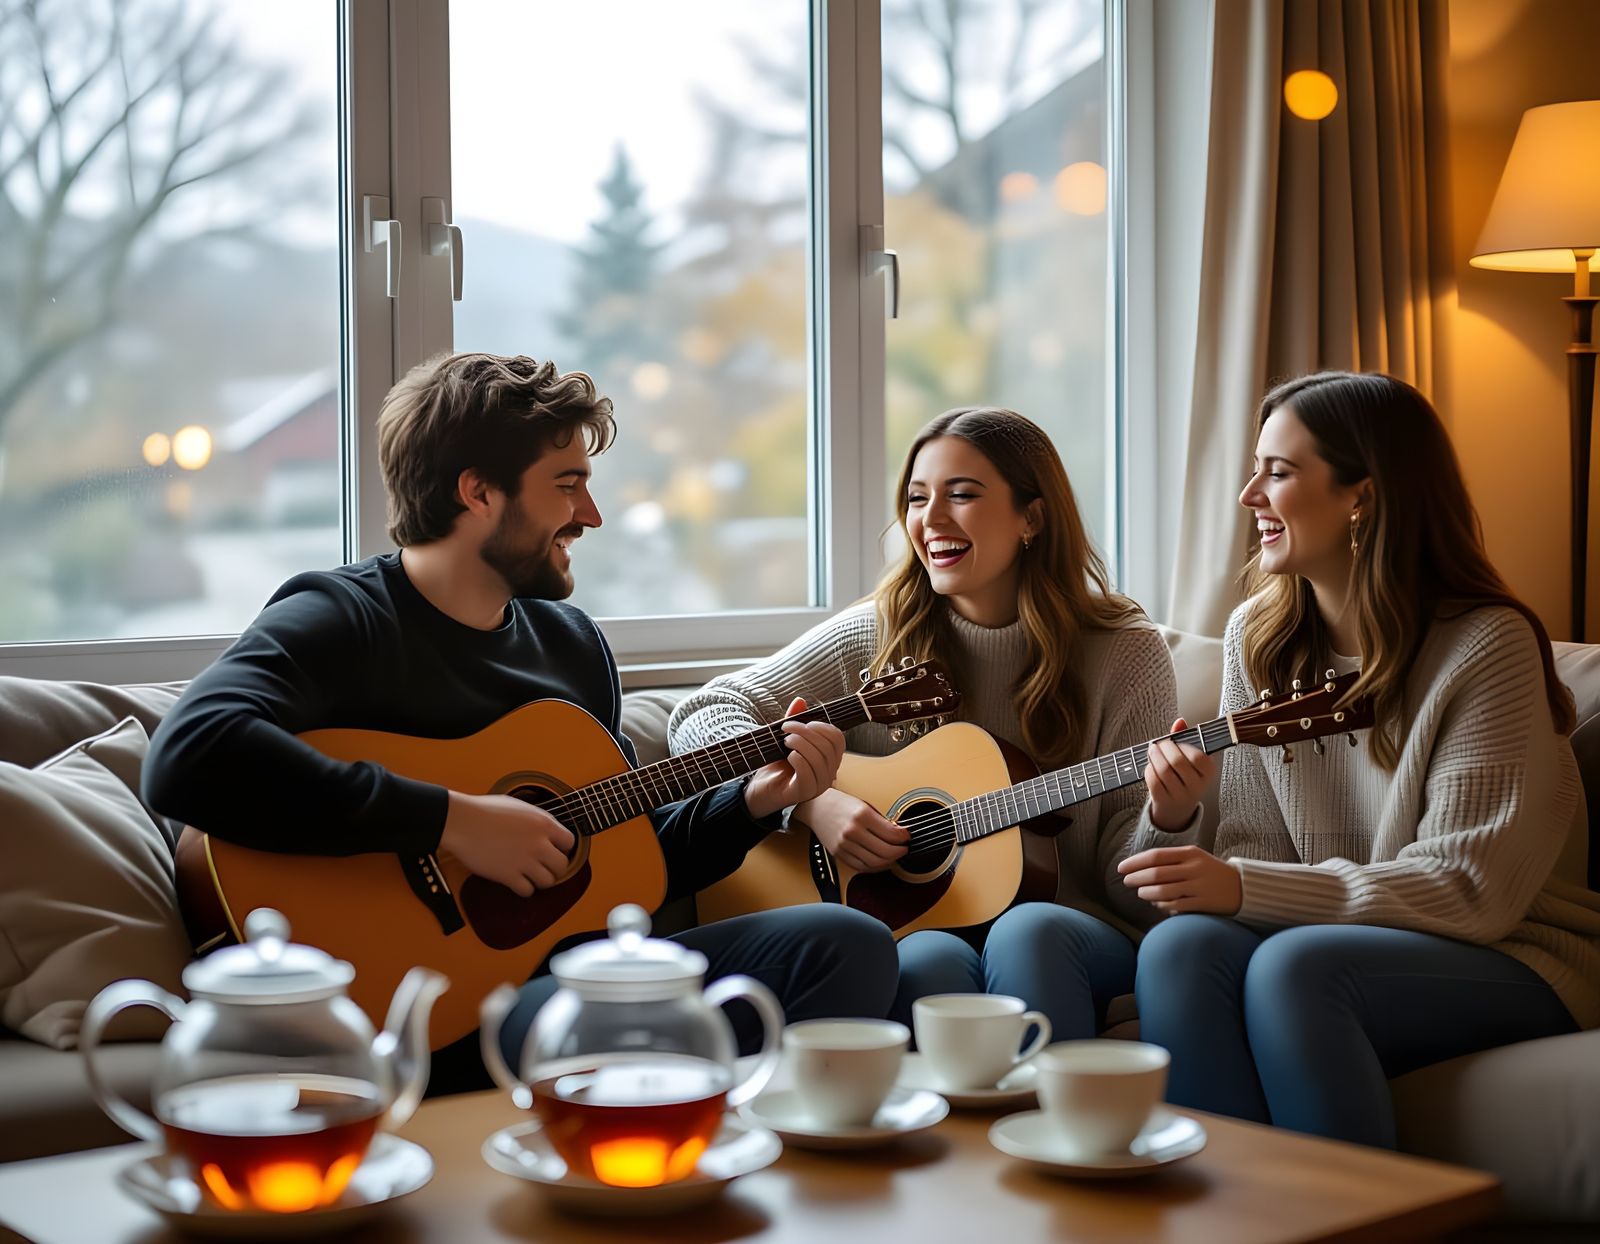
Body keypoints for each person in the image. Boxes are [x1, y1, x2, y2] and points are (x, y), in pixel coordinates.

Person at [143, 352, 899, 1091]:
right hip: (410, 1012)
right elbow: (189, 754)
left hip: (563, 985)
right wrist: (451, 821)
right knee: (601, 1026)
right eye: (567, 486)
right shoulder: (344, 620)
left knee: (847, 944)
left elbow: (624, 863)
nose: (591, 516)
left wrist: (752, 801)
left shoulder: (571, 646)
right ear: (477, 493)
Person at [1122, 370, 1600, 1149]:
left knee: (1297, 971)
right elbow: (1254, 852)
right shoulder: (1259, 638)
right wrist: (1183, 827)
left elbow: (1469, 890)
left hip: (1516, 953)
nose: (1249, 494)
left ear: (1363, 496)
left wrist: (1243, 885)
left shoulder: (1488, 644)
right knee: (1182, 947)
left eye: (1278, 472)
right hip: (1332, 940)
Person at [668, 406, 1212, 1041]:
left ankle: (1043, 1136)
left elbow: (1131, 896)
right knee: (925, 958)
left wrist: (1169, 819)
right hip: (926, 923)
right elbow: (699, 718)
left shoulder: (1125, 653)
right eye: (918, 498)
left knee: (1028, 930)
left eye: (963, 495)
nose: (931, 520)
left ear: (1031, 517)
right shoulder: (876, 634)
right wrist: (810, 804)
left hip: (1070, 928)